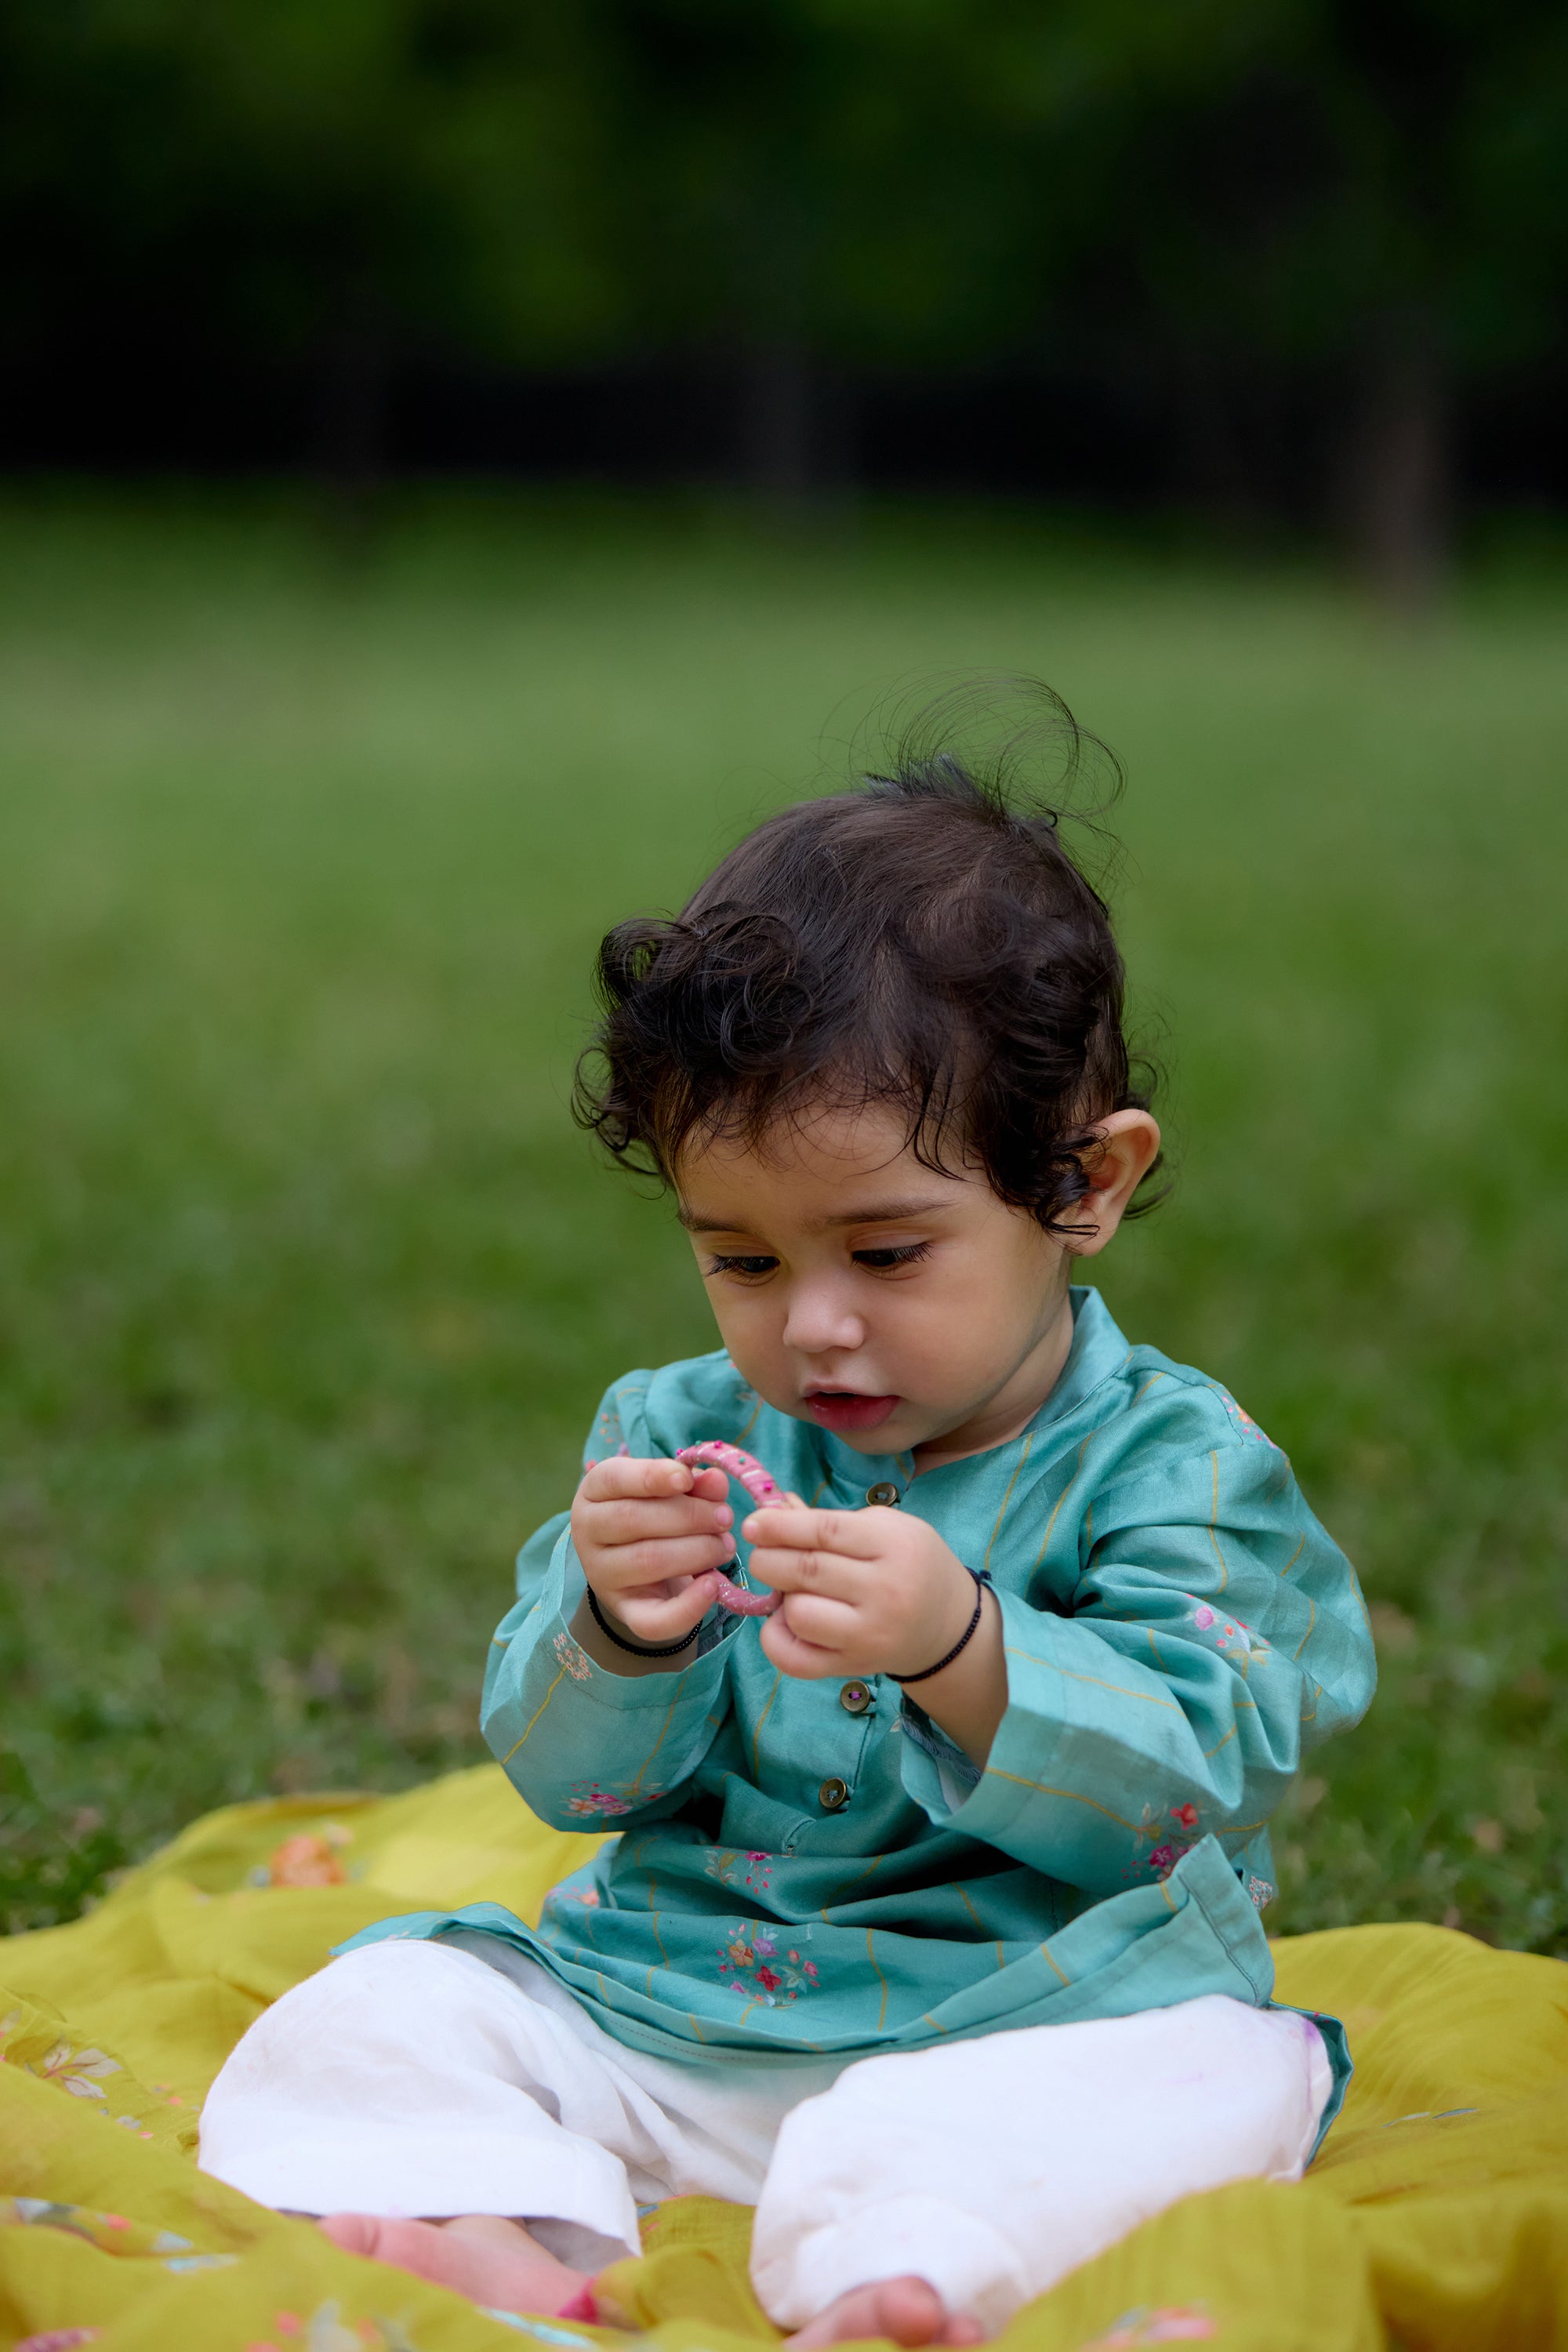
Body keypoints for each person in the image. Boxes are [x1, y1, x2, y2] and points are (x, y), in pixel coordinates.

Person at [200, 687, 1376, 2346]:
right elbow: (567, 1780)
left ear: (1082, 1185)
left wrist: (965, 1648)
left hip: (1028, 2029)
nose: (813, 1325)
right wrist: (618, 1631)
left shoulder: (1170, 1466)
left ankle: (896, 2278)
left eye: (886, 1253)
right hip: (674, 2013)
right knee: (378, 2008)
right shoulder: (673, 1434)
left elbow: (1207, 1771)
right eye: (741, 1259)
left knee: (1225, 2070)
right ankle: (502, 2243)